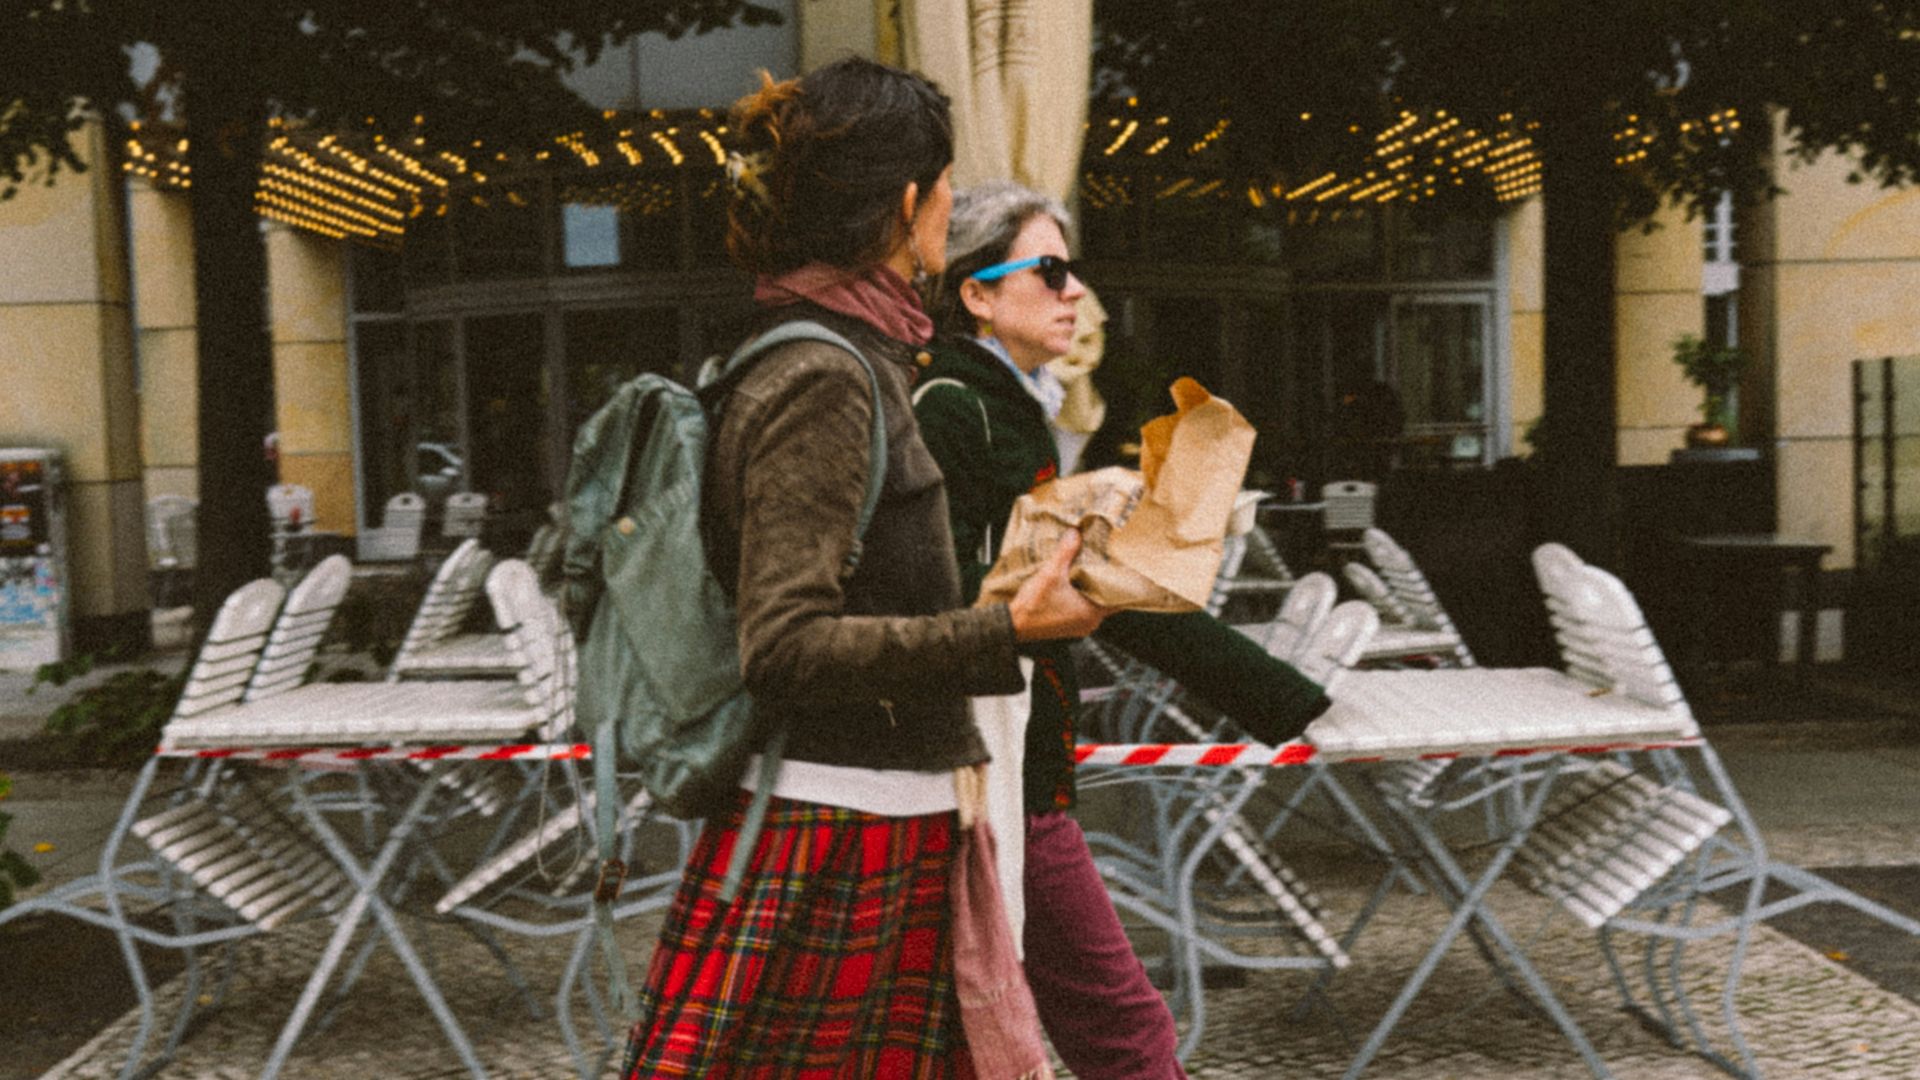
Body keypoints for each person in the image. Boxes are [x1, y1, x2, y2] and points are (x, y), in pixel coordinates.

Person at [622, 62, 1105, 1078]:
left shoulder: (846, 356)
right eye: (946, 184)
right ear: (908, 201)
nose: (949, 206)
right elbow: (784, 645)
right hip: (839, 830)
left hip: (872, 817)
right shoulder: (824, 374)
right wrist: (1006, 630)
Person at [915, 179, 1332, 1080]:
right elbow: (953, 598)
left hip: (1006, 766)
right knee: (1124, 1029)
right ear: (977, 293)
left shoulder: (994, 402)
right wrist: (1291, 701)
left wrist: (1288, 700)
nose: (1075, 292)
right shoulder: (957, 407)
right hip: (998, 771)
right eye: (1049, 270)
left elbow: (1103, 591)